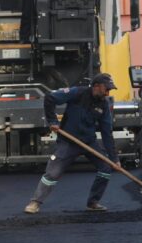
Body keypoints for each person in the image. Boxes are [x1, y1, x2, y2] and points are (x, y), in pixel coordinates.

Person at [24, 73, 119, 214]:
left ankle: (93, 203)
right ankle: (35, 202)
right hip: (69, 141)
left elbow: (107, 132)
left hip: (89, 142)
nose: (107, 93)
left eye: (109, 90)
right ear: (96, 86)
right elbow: (50, 98)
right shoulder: (77, 93)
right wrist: (52, 121)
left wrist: (114, 158)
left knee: (105, 168)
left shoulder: (103, 104)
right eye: (106, 89)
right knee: (53, 172)